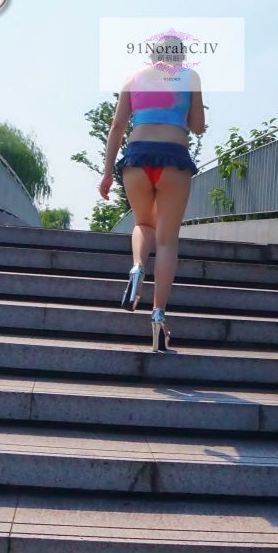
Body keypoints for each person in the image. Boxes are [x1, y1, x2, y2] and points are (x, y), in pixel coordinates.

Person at [99, 35, 206, 352]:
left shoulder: (132, 80)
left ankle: (137, 268)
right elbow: (198, 126)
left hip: (136, 158)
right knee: (167, 240)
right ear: (181, 57)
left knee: (143, 224)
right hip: (174, 158)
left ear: (151, 55)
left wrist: (107, 173)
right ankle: (158, 315)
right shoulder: (190, 77)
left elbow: (117, 127)